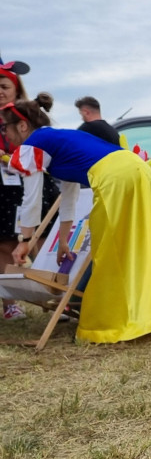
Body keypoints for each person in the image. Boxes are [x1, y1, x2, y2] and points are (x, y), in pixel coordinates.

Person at [0, 95, 151, 342]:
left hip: (116, 178)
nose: (3, 133)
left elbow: (32, 199)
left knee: (112, 252)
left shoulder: (34, 144)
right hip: (140, 171)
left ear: (21, 126)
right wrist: (64, 241)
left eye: (4, 127)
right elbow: (69, 197)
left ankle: (124, 321)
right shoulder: (58, 139)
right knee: (149, 245)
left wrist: (25, 240)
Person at [0, 56, 60, 321]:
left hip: (34, 184)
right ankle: (10, 303)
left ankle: (60, 299)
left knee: (44, 241)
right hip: (3, 192)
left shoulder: (27, 113)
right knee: (5, 245)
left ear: (15, 88)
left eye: (3, 86)